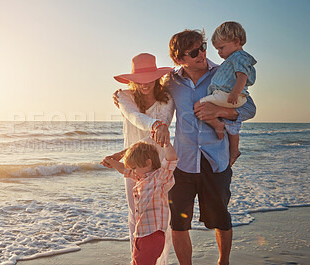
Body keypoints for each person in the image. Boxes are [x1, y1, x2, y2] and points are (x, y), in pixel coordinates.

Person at [164, 28, 256, 265]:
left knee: (221, 218)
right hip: (182, 163)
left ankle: (222, 262)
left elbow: (249, 109)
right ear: (179, 59)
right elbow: (149, 100)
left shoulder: (224, 73)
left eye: (203, 47)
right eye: (193, 52)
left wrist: (220, 111)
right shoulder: (171, 82)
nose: (202, 53)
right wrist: (125, 96)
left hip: (216, 161)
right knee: (179, 222)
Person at [101, 53, 175, 264]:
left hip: (158, 164)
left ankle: (160, 262)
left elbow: (159, 130)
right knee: (136, 214)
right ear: (132, 80)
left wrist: (123, 153)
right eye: (140, 80)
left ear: (157, 77)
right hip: (133, 163)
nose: (145, 84)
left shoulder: (167, 100)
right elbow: (135, 117)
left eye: (150, 78)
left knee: (162, 218)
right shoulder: (124, 96)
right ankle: (137, 260)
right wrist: (126, 155)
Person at [104, 141, 178, 265]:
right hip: (141, 233)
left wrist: (166, 143)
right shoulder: (141, 178)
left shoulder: (159, 178)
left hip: (152, 235)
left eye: (134, 168)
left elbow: (171, 159)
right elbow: (123, 169)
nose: (133, 171)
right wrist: (111, 161)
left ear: (148, 163)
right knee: (137, 261)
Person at [199, 21, 257, 166]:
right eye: (217, 49)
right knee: (231, 125)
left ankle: (216, 125)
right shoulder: (234, 58)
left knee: (199, 106)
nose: (219, 52)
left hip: (230, 96)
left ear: (237, 41)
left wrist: (235, 93)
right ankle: (234, 150)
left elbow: (242, 75)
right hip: (230, 96)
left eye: (221, 48)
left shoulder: (239, 56)